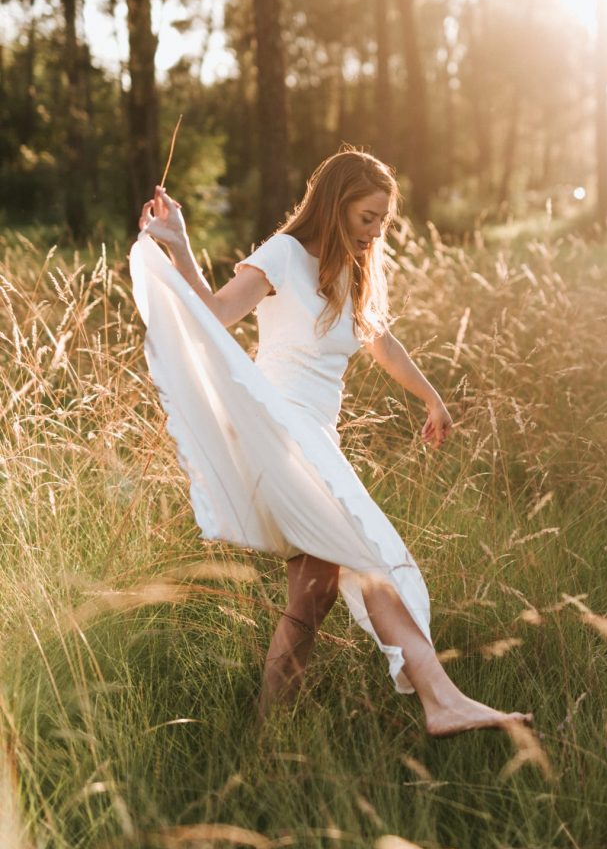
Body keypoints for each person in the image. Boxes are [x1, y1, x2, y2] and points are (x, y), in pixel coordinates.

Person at [133, 148, 531, 736]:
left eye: (383, 222)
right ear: (335, 205)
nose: (376, 232)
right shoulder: (284, 255)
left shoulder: (352, 271)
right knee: (372, 551)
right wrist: (181, 243)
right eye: (368, 217)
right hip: (279, 427)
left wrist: (432, 399)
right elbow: (217, 314)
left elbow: (382, 343)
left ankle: (269, 737)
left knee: (313, 593)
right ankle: (440, 699)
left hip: (315, 437)